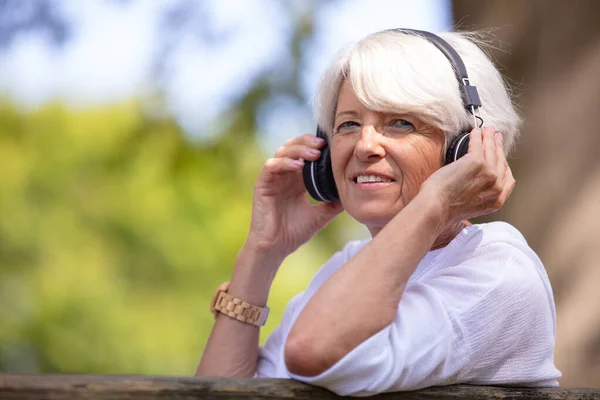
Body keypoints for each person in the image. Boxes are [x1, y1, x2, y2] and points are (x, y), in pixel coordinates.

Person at [196, 28, 561, 396]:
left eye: (401, 122)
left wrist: (435, 203)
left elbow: (312, 349)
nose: (364, 145)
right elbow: (223, 393)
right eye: (349, 124)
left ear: (466, 150)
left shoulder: (498, 271)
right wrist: (263, 251)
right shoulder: (345, 268)